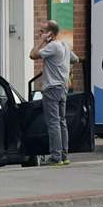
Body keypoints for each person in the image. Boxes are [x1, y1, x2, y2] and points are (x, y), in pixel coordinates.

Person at [29, 20, 73, 166]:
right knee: (62, 122)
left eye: (42, 31)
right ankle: (64, 155)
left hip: (51, 89)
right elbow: (76, 58)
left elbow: (33, 55)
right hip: (62, 88)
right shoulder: (64, 45)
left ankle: (55, 157)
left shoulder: (52, 46)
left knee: (53, 123)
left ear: (50, 34)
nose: (39, 33)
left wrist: (41, 41)